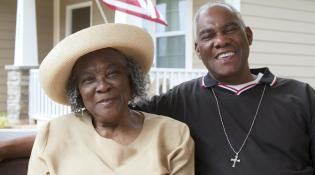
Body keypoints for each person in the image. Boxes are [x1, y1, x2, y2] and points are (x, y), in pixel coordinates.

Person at [0, 2, 315, 175]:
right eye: (207, 36)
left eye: (230, 30)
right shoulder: (181, 100)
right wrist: (12, 144)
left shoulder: (301, 96)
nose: (221, 41)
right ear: (198, 50)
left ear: (248, 36)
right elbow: (108, 115)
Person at [26, 23, 194, 174]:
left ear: (130, 79)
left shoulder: (173, 134)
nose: (102, 86)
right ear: (78, 91)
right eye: (88, 79)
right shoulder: (53, 133)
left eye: (112, 73)